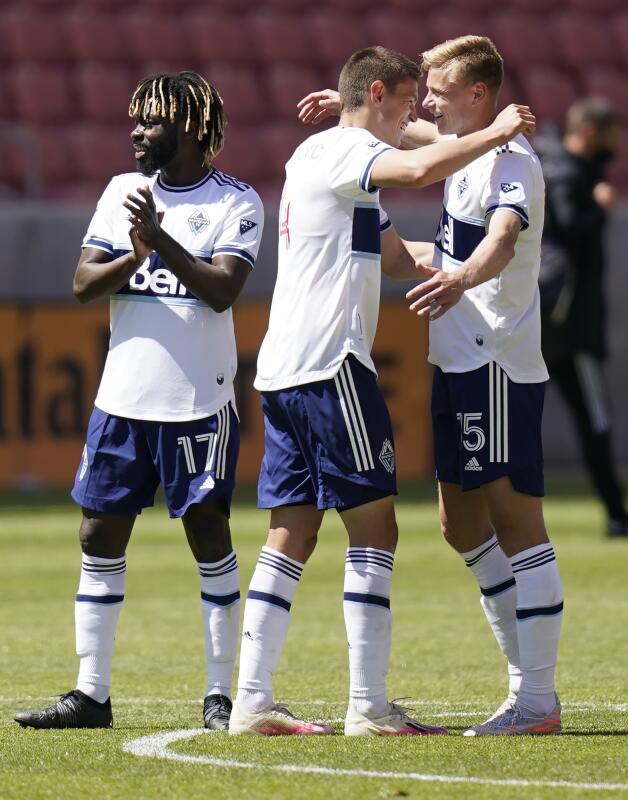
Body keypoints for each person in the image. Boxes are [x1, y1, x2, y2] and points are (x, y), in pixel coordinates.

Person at [229, 46, 535, 737]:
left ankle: (252, 701)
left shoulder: (321, 161)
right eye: (405, 102)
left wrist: (490, 266)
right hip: (333, 367)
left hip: (282, 371)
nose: (415, 114)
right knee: (376, 527)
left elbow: (400, 258)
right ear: (377, 93)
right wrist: (496, 132)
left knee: (291, 531)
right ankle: (369, 707)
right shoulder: (346, 154)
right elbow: (422, 167)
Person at [297, 35, 566, 736]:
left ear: (480, 96)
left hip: (495, 357)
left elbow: (504, 236)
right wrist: (351, 109)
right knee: (460, 525)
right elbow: (417, 135)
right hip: (454, 359)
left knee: (516, 521)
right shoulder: (470, 143)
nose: (428, 101)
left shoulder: (512, 158)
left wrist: (460, 277)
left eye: (441, 89)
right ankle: (523, 689)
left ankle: (536, 699)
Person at [13, 72, 263, 732]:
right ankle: (91, 693)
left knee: (208, 533)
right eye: (136, 120)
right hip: (123, 399)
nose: (136, 131)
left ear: (187, 126)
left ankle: (219, 695)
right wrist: (134, 256)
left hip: (197, 401)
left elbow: (221, 290)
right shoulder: (122, 192)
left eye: (150, 121)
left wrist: (162, 238)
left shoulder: (238, 201)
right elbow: (82, 283)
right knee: (98, 531)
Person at [538, 98, 628, 538]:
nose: (618, 144)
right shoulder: (571, 174)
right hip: (569, 326)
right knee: (596, 420)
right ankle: (617, 514)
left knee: (522, 418)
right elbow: (571, 226)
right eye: (611, 134)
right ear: (590, 131)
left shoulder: (552, 166)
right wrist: (601, 209)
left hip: (544, 324)